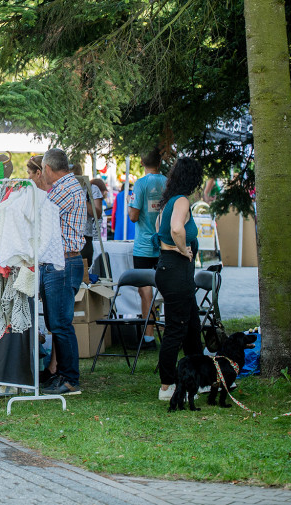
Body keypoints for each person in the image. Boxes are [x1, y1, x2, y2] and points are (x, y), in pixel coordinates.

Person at [154, 156, 204, 400]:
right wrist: (183, 249)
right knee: (177, 328)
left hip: (168, 268)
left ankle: (201, 378)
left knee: (192, 325)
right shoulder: (182, 201)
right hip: (176, 270)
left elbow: (158, 230)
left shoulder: (168, 202)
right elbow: (175, 229)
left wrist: (174, 249)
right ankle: (167, 385)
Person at [38, 148, 86, 396]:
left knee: (61, 324)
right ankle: (62, 375)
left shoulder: (65, 189)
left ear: (47, 169)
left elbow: (37, 216)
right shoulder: (66, 186)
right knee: (56, 322)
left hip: (63, 264)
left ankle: (70, 379)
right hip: (60, 262)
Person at [128, 149, 167, 347]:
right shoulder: (168, 182)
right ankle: (172, 332)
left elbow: (133, 216)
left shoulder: (141, 184)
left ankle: (149, 337)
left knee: (145, 291)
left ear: (142, 161)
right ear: (160, 163)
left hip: (143, 246)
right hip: (164, 244)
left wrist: (129, 207)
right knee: (168, 289)